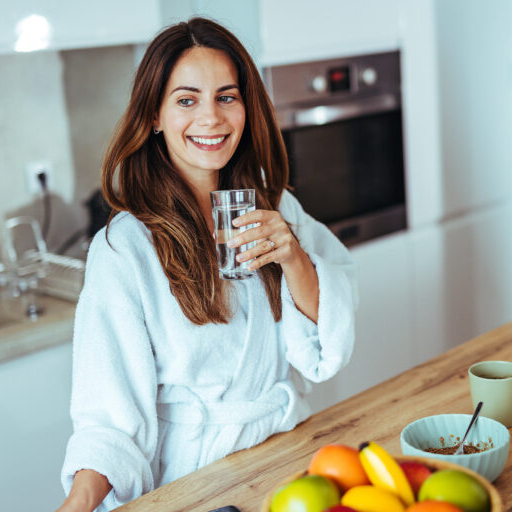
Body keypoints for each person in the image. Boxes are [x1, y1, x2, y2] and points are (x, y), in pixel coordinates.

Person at [56, 17, 357, 512]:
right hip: (196, 483)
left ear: (246, 106)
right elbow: (107, 421)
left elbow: (324, 350)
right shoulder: (124, 248)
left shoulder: (275, 208)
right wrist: (76, 506)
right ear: (154, 115)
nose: (211, 118)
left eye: (226, 96)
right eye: (187, 99)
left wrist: (295, 257)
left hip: (287, 456)